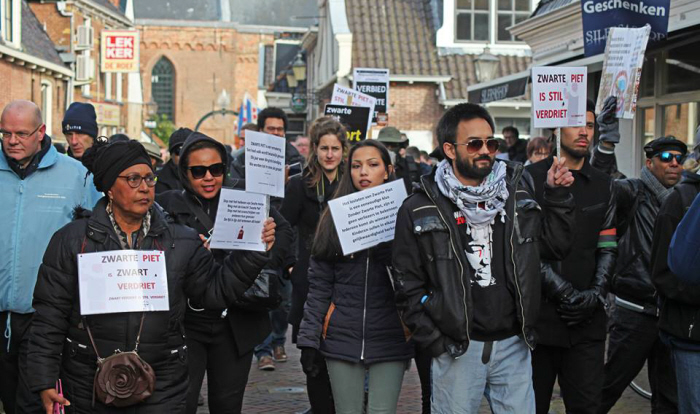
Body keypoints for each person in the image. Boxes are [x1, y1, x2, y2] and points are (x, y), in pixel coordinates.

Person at [26, 139, 275, 414]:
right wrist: (44, 380)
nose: (144, 187)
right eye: (133, 179)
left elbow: (215, 292)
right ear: (109, 187)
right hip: (88, 383)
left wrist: (253, 252)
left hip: (162, 383)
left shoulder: (180, 240)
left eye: (149, 178)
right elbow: (50, 316)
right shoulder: (72, 240)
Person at [393, 103, 575, 413]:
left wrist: (557, 197)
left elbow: (555, 248)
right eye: (475, 143)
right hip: (457, 348)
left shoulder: (517, 192)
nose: (486, 151)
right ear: (450, 149)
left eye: (491, 143)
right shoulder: (419, 207)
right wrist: (436, 341)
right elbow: (406, 283)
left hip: (514, 345)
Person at [156, 132, 292, 414]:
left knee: (227, 404)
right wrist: (187, 254)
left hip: (236, 322)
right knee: (182, 402)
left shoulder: (247, 198)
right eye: (198, 171)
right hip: (186, 323)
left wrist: (265, 247)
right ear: (184, 172)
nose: (208, 178)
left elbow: (285, 238)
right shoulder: (168, 204)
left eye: (216, 169)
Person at [298, 140, 414, 414]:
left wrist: (396, 255)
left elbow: (418, 279)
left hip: (390, 334)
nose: (364, 172)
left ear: (387, 171)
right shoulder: (333, 216)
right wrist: (309, 340)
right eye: (356, 166)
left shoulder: (408, 214)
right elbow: (319, 287)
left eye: (373, 165)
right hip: (342, 335)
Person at [0, 100, 96, 414]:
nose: (12, 141)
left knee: (33, 404)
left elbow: (100, 229)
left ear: (41, 132)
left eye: (21, 133)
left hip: (46, 317)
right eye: (5, 133)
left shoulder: (76, 175)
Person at [590, 98, 682, 413]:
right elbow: (598, 187)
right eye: (667, 157)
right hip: (633, 311)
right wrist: (605, 143)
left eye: (680, 159)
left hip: (669, 314)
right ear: (651, 161)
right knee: (607, 388)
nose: (674, 164)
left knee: (669, 397)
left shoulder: (682, 202)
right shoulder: (632, 191)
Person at [527, 100, 616, 414]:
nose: (584, 131)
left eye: (590, 125)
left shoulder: (605, 185)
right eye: (576, 123)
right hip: (537, 322)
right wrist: (563, 292)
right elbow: (524, 246)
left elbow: (608, 246)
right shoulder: (528, 179)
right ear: (556, 127)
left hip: (586, 325)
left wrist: (594, 295)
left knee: (587, 407)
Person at [281, 116, 347, 413]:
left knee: (343, 351)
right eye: (324, 148)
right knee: (313, 355)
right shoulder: (299, 184)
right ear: (315, 150)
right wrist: (290, 265)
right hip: (309, 281)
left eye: (335, 148)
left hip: (346, 281)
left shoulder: (353, 184)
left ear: (344, 150)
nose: (330, 154)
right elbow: (283, 228)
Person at [650, 134, 700, 414]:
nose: (673, 163)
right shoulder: (679, 202)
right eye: (667, 158)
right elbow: (663, 273)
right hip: (691, 338)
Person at [376, 126, 420, 194]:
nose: (389, 149)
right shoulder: (372, 168)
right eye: (385, 145)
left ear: (400, 147)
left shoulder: (412, 168)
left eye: (393, 145)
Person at [155, 128, 192, 194]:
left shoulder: (206, 175)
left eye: (189, 150)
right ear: (171, 154)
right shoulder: (158, 180)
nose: (184, 155)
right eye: (179, 151)